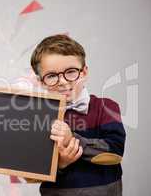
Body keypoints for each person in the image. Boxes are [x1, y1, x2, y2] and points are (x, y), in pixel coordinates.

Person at [30, 34, 126, 196]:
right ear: (40, 82)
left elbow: (115, 153)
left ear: (84, 72)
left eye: (71, 72)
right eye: (52, 76)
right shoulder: (38, 117)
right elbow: (33, 170)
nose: (63, 81)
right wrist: (59, 165)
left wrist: (72, 140)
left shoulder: (106, 107)